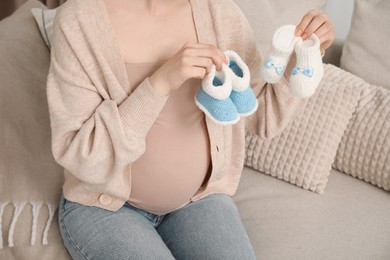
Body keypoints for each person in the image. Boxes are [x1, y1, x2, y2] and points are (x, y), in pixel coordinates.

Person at [47, 0, 335, 259]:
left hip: (199, 199)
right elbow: (82, 157)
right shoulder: (79, 21)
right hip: (104, 207)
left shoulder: (221, 14)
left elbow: (262, 116)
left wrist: (303, 60)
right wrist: (159, 83)